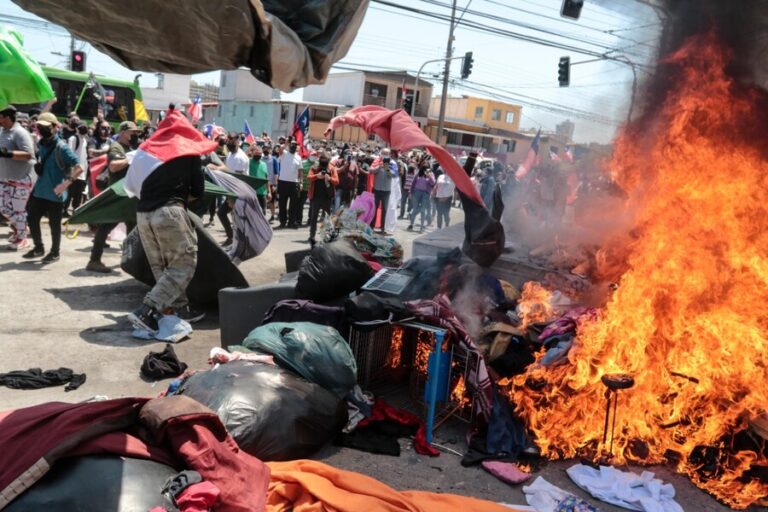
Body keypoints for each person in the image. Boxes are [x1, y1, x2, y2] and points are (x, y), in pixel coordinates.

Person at [127, 131, 207, 331]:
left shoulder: (149, 150)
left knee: (160, 266)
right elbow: (197, 191)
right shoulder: (190, 152)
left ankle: (176, 309)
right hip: (169, 211)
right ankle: (146, 311)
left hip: (143, 213)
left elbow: (134, 183)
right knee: (183, 263)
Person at [23, 112, 83, 263]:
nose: (42, 129)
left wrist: (65, 185)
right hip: (40, 190)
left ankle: (55, 252)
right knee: (31, 218)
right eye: (40, 126)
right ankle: (38, 247)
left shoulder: (61, 147)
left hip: (55, 194)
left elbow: (79, 168)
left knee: (54, 225)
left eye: (46, 127)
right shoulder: (42, 143)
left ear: (56, 127)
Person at [86, 121, 141, 273]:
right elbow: (114, 166)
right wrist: (132, 157)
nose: (135, 136)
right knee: (106, 227)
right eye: (133, 133)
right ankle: (94, 260)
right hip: (118, 194)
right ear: (123, 132)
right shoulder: (116, 147)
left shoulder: (130, 148)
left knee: (132, 229)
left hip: (129, 194)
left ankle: (130, 261)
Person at [0, 105, 36, 251]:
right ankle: (21, 227)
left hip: (21, 178)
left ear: (8, 117)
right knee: (3, 207)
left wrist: (7, 153)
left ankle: (22, 239)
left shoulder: (21, 133)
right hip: (4, 177)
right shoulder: (2, 131)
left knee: (18, 210)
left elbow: (29, 155)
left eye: (0, 117)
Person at [306, 150, 338, 246]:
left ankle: (328, 236)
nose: (323, 162)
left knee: (327, 219)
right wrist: (317, 176)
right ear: (319, 160)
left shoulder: (332, 168)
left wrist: (330, 179)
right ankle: (312, 236)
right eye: (322, 159)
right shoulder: (315, 167)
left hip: (327, 198)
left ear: (328, 160)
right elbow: (309, 177)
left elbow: (336, 181)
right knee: (313, 218)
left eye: (325, 160)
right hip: (315, 197)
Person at [370, 148, 399, 233]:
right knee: (374, 208)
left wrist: (387, 168)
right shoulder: (377, 161)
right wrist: (379, 167)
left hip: (386, 191)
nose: (385, 155)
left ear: (390, 155)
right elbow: (371, 171)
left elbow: (394, 175)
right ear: (381, 154)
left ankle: (382, 228)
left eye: (387, 154)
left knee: (384, 210)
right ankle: (372, 226)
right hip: (376, 189)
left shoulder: (393, 163)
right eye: (383, 153)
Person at [63, 123, 89, 217]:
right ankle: (64, 210)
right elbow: (69, 153)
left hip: (82, 171)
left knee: (78, 193)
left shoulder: (85, 140)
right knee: (69, 192)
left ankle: (75, 211)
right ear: (77, 129)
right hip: (74, 171)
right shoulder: (73, 139)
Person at [277, 140, 302, 229]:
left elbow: (300, 171)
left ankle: (291, 222)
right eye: (292, 145)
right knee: (282, 204)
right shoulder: (284, 154)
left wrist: (301, 182)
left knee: (293, 205)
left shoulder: (298, 157)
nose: (293, 146)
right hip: (283, 182)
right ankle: (282, 222)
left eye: (295, 145)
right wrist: (287, 142)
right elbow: (279, 149)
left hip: (294, 183)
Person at [407, 165, 435, 232]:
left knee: (423, 210)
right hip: (416, 192)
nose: (427, 171)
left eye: (428, 169)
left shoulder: (431, 175)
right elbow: (413, 183)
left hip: (425, 194)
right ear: (422, 169)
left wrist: (429, 176)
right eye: (426, 169)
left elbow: (433, 183)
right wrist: (410, 192)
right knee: (415, 209)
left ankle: (422, 226)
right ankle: (411, 224)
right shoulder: (418, 175)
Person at [248, 145, 270, 214]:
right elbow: (244, 155)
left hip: (262, 192)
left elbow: (266, 179)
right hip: (252, 192)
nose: (258, 155)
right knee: (253, 212)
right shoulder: (249, 162)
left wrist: (269, 192)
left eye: (259, 154)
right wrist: (251, 148)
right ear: (253, 154)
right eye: (256, 153)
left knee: (263, 212)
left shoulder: (264, 164)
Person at [264, 145, 279, 222]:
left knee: (272, 201)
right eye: (264, 148)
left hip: (271, 183)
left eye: (267, 148)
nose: (265, 150)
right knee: (263, 201)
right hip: (262, 183)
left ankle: (272, 216)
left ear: (270, 150)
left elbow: (276, 173)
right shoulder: (261, 158)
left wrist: (275, 185)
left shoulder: (274, 159)